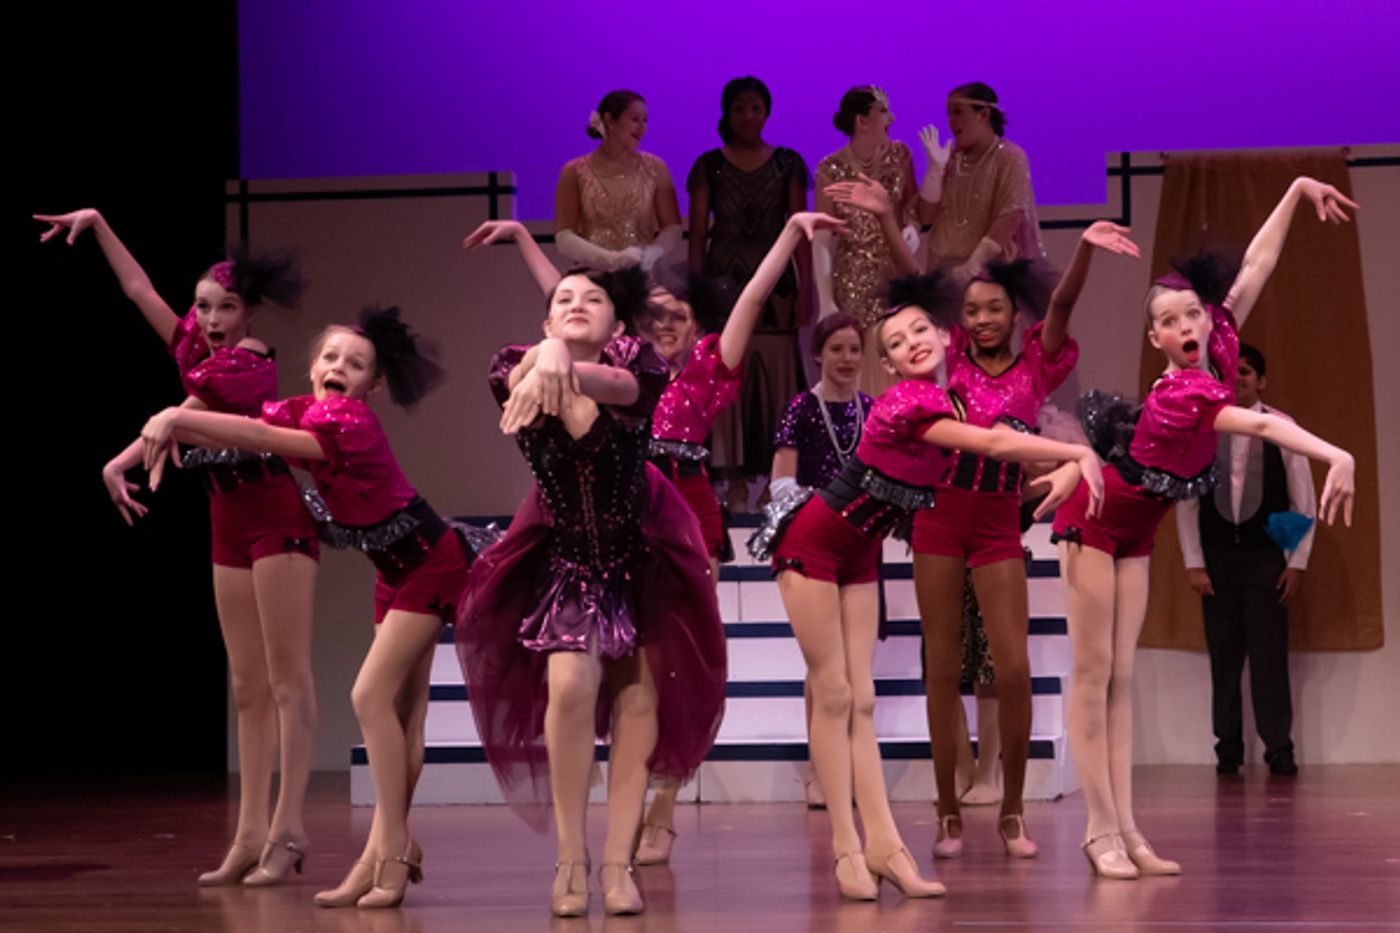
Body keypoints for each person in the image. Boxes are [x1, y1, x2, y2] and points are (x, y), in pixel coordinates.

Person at [749, 272, 1103, 900]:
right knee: (833, 696)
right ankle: (845, 850)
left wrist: (1072, 468)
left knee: (860, 703)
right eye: (896, 339)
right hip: (810, 544)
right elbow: (997, 443)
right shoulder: (908, 403)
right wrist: (1080, 455)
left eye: (921, 329)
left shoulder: (953, 400)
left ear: (945, 336)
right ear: (885, 364)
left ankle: (886, 846)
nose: (913, 341)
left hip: (860, 553)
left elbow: (1002, 453)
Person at [1052, 176, 1358, 879]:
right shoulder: (1183, 388)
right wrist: (1334, 449)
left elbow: (1257, 266)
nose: (1189, 326)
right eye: (1172, 321)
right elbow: (1250, 420)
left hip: (1138, 528)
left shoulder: (1218, 342)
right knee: (1094, 673)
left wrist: (1295, 190)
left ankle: (1127, 828)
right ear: (1154, 336)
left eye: (1194, 313)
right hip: (1094, 521)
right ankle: (1098, 830)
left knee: (1123, 678)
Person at [140, 307, 475, 909]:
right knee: (402, 716)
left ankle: (393, 853)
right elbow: (237, 421)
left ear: (371, 385)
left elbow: (262, 439)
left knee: (371, 697)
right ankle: (379, 853)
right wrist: (160, 431)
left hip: (432, 562)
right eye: (329, 358)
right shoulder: (311, 408)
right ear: (313, 366)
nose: (338, 367)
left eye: (355, 363)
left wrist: (170, 417)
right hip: (390, 568)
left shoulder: (350, 422)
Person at [34, 209, 319, 887]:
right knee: (246, 686)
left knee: (287, 679)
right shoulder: (197, 350)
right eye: (202, 306)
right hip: (226, 518)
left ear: (250, 314)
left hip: (277, 516)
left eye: (225, 307)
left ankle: (289, 830)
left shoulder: (250, 364)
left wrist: (128, 452)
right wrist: (101, 223)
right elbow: (139, 292)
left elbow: (184, 419)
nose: (210, 318)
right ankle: (248, 835)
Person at [457, 267, 726, 917]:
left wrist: (555, 360)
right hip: (567, 557)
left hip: (640, 553)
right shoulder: (509, 367)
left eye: (594, 299)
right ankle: (570, 859)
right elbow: (521, 379)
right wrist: (545, 355)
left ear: (616, 324)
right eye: (564, 300)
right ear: (547, 320)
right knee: (573, 683)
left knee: (638, 701)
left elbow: (611, 388)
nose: (578, 304)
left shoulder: (644, 370)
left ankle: (616, 862)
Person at [635, 212, 846, 864]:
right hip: (632, 511)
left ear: (697, 324)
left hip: (691, 512)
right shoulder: (624, 368)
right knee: (640, 665)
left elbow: (753, 296)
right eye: (654, 317)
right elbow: (566, 306)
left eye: (677, 316)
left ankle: (663, 800)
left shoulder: (707, 367)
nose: (665, 326)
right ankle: (638, 792)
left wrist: (786, 234)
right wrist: (527, 239)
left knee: (682, 659)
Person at [1176, 343, 1316, 777]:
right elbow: (1188, 501)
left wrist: (1295, 561)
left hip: (1264, 557)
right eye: (1228, 373)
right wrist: (1194, 561)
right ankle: (1229, 749)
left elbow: (1301, 498)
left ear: (1261, 380)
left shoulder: (1280, 427)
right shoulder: (1204, 428)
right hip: (1218, 559)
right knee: (1225, 656)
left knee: (1269, 656)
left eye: (1246, 372)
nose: (1237, 379)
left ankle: (1279, 748)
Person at [768, 312, 872, 809]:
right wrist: (816, 513)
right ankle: (819, 766)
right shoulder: (800, 409)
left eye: (855, 349)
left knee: (857, 666)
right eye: (837, 349)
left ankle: (852, 759)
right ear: (818, 355)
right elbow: (780, 483)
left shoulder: (872, 409)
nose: (847, 359)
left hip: (862, 542)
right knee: (824, 665)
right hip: (814, 541)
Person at [688, 76, 811, 490]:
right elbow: (698, 236)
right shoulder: (709, 165)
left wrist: (807, 287)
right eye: (739, 108)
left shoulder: (787, 163)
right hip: (722, 288)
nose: (748, 116)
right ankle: (735, 482)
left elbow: (799, 234)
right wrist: (695, 296)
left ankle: (777, 483)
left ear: (767, 112)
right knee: (726, 379)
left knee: (778, 385)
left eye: (756, 108)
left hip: (777, 289)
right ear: (726, 112)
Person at [813, 86, 916, 395]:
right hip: (854, 283)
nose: (892, 117)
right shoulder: (830, 168)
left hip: (896, 278)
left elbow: (912, 206)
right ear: (862, 121)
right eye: (883, 111)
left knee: (899, 358)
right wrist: (825, 298)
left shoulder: (900, 155)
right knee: (860, 366)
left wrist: (911, 226)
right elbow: (821, 237)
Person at [918, 82, 1045, 282]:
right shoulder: (949, 158)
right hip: (942, 273)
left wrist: (973, 267)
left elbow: (1011, 215)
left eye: (958, 112)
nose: (951, 121)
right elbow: (926, 219)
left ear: (983, 115)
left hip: (989, 275)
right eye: (948, 113)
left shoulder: (1010, 157)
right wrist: (935, 171)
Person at [554, 89, 683, 276]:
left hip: (641, 279)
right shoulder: (574, 171)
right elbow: (564, 236)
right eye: (634, 119)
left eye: (645, 121)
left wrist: (652, 254)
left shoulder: (655, 168)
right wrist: (611, 260)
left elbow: (672, 227)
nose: (642, 127)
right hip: (593, 280)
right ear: (609, 120)